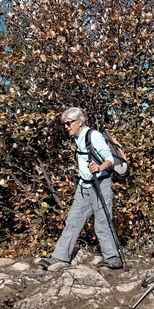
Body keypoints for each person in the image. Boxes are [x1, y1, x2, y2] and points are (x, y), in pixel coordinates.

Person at [39, 107, 123, 269]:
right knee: (73, 221)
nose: (66, 127)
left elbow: (109, 159)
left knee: (102, 222)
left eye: (68, 124)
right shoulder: (77, 139)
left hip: (101, 184)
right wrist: (78, 170)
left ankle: (113, 257)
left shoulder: (93, 135)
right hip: (85, 186)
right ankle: (59, 257)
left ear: (80, 122)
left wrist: (99, 168)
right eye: (64, 124)